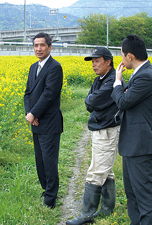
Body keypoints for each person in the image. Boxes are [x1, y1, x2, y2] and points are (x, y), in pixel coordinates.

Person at [66, 47, 121, 225]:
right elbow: (90, 102)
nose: (93, 65)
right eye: (92, 61)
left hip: (107, 130)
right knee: (106, 169)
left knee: (96, 171)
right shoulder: (100, 80)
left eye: (97, 61)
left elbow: (93, 100)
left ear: (108, 62)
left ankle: (86, 215)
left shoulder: (112, 80)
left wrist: (92, 100)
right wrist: (92, 100)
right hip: (100, 128)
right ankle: (107, 209)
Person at [111, 34, 152, 225]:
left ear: (130, 56)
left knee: (145, 195)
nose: (122, 60)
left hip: (141, 145)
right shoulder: (140, 74)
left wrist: (117, 81)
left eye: (122, 55)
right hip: (133, 143)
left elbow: (123, 101)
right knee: (132, 192)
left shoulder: (146, 76)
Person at [24, 32, 63, 209]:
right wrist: (30, 114)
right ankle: (45, 188)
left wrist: (34, 114)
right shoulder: (33, 67)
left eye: (42, 45)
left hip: (49, 122)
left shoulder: (55, 67)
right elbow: (28, 93)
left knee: (49, 161)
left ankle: (51, 198)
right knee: (39, 160)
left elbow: (49, 95)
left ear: (49, 47)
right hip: (36, 121)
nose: (38, 48)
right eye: (35, 45)